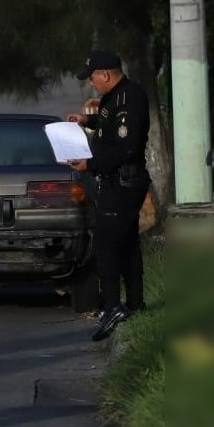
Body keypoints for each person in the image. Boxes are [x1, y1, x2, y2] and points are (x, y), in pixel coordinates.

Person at [65, 49, 151, 342]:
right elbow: (108, 127)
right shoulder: (112, 98)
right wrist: (85, 122)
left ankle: (113, 305)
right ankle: (135, 303)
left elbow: (126, 147)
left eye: (93, 79)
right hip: (115, 182)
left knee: (107, 244)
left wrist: (90, 164)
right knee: (125, 243)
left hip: (124, 182)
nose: (93, 85)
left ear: (105, 74)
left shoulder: (131, 97)